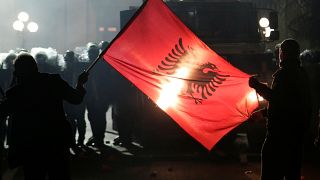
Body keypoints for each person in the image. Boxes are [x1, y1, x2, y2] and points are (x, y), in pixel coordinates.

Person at [0, 53, 88, 180]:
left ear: (18, 71)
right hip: (56, 141)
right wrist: (80, 84)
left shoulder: (16, 92)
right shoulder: (54, 81)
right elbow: (76, 98)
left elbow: (2, 112)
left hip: (31, 147)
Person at [249, 38, 312, 180]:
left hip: (279, 138)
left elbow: (277, 99)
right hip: (296, 137)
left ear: (282, 54)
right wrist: (264, 113)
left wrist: (256, 85)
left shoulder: (285, 75)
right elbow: (289, 103)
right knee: (292, 174)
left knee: (271, 174)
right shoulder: (302, 74)